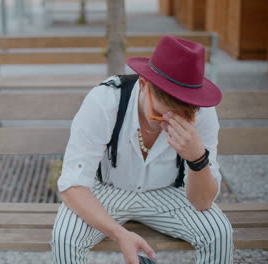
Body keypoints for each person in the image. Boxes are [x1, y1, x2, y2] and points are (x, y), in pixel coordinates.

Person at [50, 35, 234, 264]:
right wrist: (119, 234)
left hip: (170, 192)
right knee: (65, 238)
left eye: (185, 114)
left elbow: (202, 202)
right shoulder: (105, 100)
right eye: (160, 114)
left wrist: (197, 159)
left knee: (219, 232)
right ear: (144, 84)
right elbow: (72, 185)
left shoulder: (202, 112)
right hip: (108, 189)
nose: (170, 122)